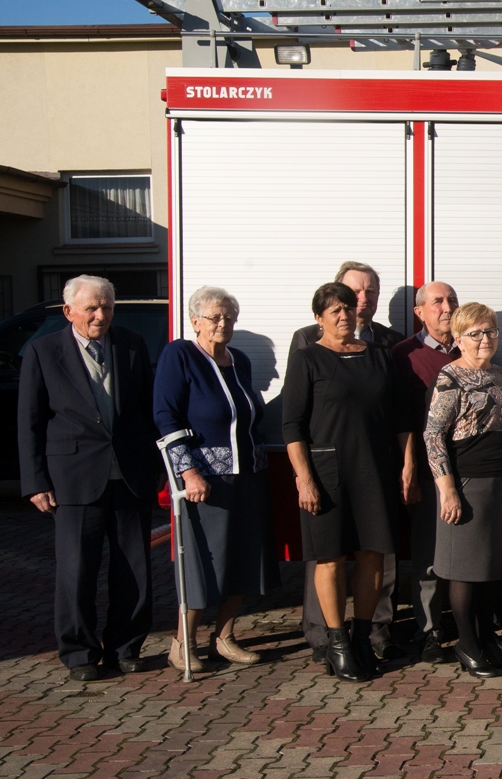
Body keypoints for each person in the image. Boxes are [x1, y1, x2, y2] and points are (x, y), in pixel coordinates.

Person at [19, 275, 159, 682]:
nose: (101, 315)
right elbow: (30, 422)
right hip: (73, 477)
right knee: (77, 570)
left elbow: (147, 412)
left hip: (129, 475)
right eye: (92, 308)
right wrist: (35, 481)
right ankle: (79, 652)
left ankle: (126, 646)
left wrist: (153, 469)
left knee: (134, 568)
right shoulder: (43, 352)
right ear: (69, 311)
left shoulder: (132, 345)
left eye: (108, 307)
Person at [283, 282, 416, 682]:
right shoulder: (308, 358)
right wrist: (304, 479)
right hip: (327, 474)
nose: (344, 315)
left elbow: (400, 419)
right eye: (334, 310)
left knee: (374, 554)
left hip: (376, 469)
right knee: (331, 558)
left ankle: (362, 639)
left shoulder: (379, 357)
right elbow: (292, 425)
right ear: (319, 317)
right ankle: (337, 644)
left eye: (348, 307)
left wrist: (407, 467)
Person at [153, 286, 279, 673]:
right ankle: (182, 643)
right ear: (195, 321)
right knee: (204, 562)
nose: (223, 323)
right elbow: (165, 416)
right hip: (204, 481)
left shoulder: (238, 360)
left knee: (243, 558)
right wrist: (187, 471)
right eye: (214, 317)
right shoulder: (180, 355)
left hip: (248, 476)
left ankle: (224, 636)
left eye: (228, 317)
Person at [424, 302, 502, 679]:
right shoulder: (450, 377)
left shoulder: (500, 373)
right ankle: (466, 644)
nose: (485, 339)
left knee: (492, 568)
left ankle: (486, 639)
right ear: (458, 339)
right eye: (476, 333)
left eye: (491, 331)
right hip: (468, 485)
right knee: (465, 571)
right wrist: (447, 489)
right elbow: (433, 436)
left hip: (501, 482)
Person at [392, 280, 462, 663]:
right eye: (438, 302)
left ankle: (467, 627)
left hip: (469, 470)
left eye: (452, 299)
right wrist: (409, 468)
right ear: (420, 312)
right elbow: (402, 418)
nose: (447, 307)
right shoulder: (405, 354)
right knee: (429, 557)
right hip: (428, 472)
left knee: (465, 554)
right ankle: (428, 632)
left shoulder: (470, 347)